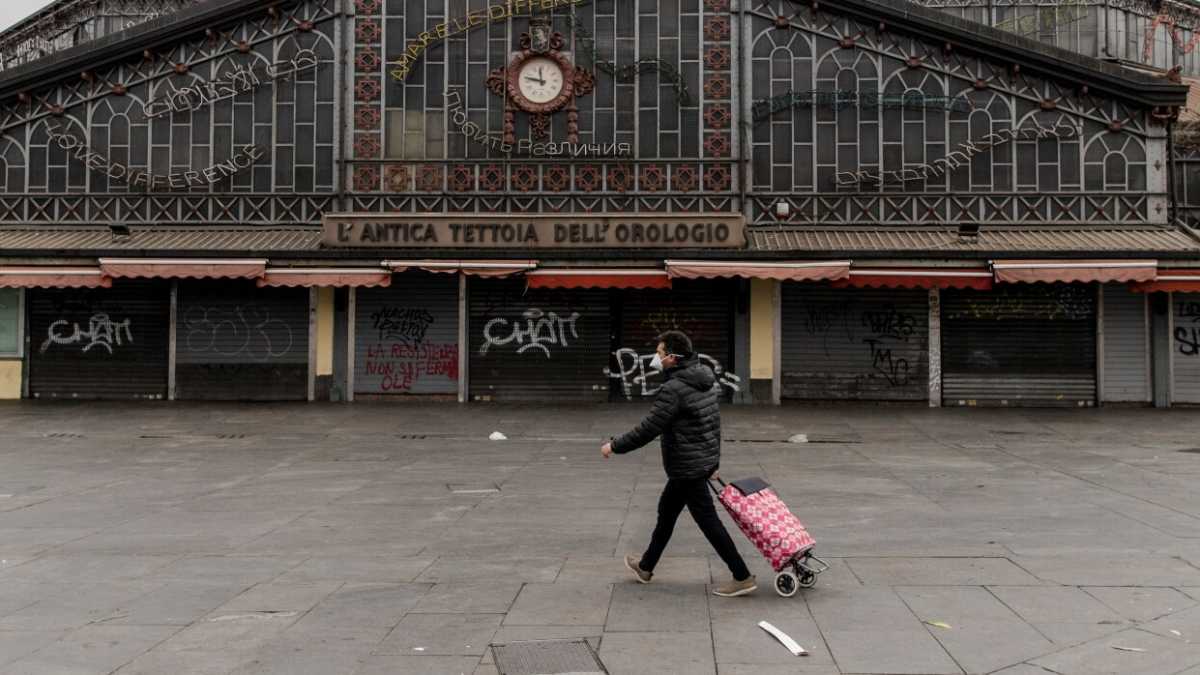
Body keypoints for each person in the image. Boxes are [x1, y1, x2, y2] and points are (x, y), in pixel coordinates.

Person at [601, 330, 756, 597]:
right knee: (667, 511)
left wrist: (614, 445)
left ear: (672, 358)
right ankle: (646, 567)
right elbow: (713, 424)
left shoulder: (674, 389)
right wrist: (713, 462)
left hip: (687, 467)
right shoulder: (703, 378)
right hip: (696, 462)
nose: (656, 358)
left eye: (660, 354)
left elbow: (649, 428)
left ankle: (742, 576)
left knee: (708, 522)